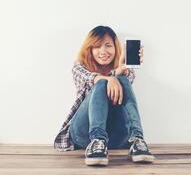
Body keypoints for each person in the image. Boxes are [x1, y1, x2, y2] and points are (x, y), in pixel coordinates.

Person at [53, 25, 155, 166]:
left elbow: (124, 83)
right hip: (84, 135)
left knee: (122, 80)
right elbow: (94, 78)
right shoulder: (79, 67)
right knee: (101, 84)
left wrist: (119, 72)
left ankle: (137, 139)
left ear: (115, 48)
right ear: (90, 49)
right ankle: (97, 141)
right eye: (97, 46)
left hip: (116, 137)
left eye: (108, 45)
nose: (103, 51)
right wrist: (110, 78)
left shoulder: (126, 70)